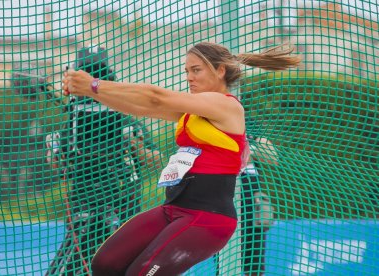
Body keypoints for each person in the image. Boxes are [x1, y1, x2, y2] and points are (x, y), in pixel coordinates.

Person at [62, 41, 301, 275]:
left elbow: (155, 96)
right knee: (106, 263)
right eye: (187, 71)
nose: (189, 77)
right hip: (174, 211)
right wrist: (89, 91)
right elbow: (140, 107)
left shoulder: (226, 105)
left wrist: (93, 84)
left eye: (196, 70)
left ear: (220, 71)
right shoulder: (193, 112)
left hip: (208, 218)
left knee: (142, 272)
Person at [44, 45, 162, 276]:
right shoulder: (72, 121)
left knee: (126, 265)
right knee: (77, 267)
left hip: (122, 204)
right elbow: (60, 167)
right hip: (84, 203)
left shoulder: (123, 118)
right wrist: (53, 151)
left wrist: (134, 144)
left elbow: (156, 160)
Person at [240, 121, 279, 276]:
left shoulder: (250, 124)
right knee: (225, 256)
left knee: (254, 258)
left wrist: (250, 149)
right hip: (225, 189)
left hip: (251, 194)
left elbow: (272, 158)